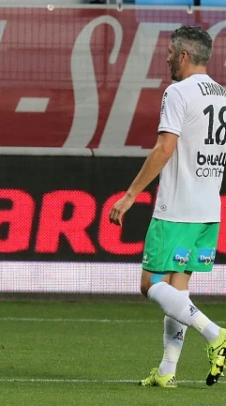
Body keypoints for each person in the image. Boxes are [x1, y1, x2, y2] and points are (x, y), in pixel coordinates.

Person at [109, 25, 226, 388]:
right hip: (208, 208)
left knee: (149, 284)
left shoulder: (177, 92)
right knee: (178, 290)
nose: (166, 58)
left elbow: (164, 148)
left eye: (170, 53)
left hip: (176, 208)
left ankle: (216, 334)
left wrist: (130, 194)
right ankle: (166, 371)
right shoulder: (222, 94)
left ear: (185, 56)